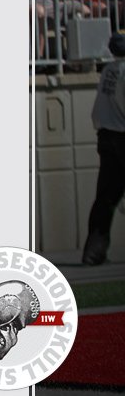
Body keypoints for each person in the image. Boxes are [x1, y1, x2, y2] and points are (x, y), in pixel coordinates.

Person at [82, 33, 125, 266]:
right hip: (121, 134)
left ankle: (94, 251)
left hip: (106, 136)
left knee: (106, 197)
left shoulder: (109, 69)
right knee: (107, 197)